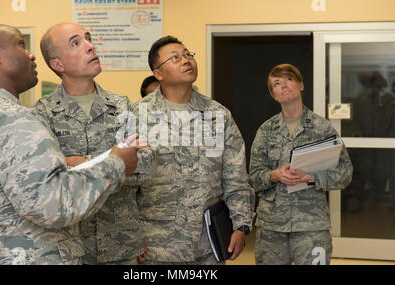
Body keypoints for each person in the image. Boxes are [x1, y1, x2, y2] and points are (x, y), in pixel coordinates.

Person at [0, 23, 143, 265]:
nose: (31, 54)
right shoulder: (15, 120)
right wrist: (115, 164)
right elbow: (52, 204)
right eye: (20, 44)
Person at [131, 35, 255, 264]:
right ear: (158, 73)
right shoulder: (137, 116)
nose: (186, 60)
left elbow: (235, 176)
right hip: (156, 247)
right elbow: (126, 184)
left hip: (207, 245)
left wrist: (241, 225)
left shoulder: (217, 115)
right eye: (175, 58)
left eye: (188, 54)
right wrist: (130, 236)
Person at [34, 22, 150, 265]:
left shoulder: (121, 106)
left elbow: (146, 166)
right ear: (58, 65)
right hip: (66, 248)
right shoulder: (40, 114)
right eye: (76, 43)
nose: (90, 46)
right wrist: (116, 161)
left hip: (120, 245)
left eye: (88, 38)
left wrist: (82, 163)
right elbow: (44, 178)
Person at [248, 63, 353, 265]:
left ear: (301, 85)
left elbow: (345, 172)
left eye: (289, 79)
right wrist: (275, 175)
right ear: (273, 95)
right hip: (272, 227)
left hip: (311, 225)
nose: (284, 86)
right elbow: (253, 176)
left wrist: (311, 177)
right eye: (277, 83)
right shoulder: (266, 130)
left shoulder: (322, 128)